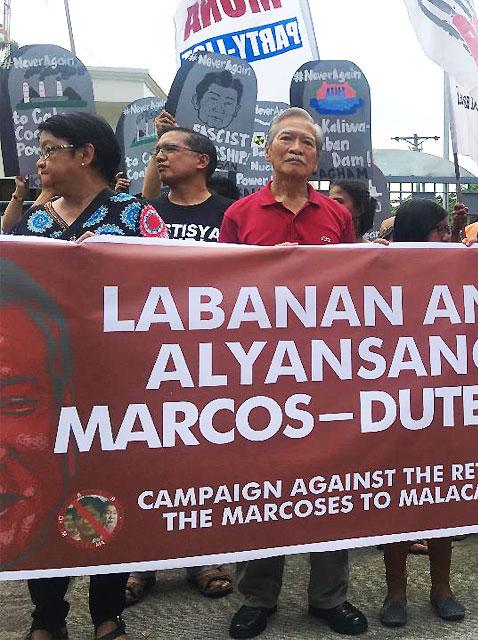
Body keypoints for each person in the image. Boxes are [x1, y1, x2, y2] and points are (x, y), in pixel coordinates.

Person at [2, 111, 166, 640]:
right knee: (48, 497)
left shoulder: (134, 216)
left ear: (84, 155)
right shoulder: (34, 222)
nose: (40, 160)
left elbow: (171, 291)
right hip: (48, 390)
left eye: (49, 148)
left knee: (107, 493)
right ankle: (47, 617)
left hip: (116, 388)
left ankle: (107, 614)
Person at [217, 107, 364, 640]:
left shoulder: (337, 216)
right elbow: (218, 292)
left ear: (318, 156)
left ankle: (330, 597)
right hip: (261, 372)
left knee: (331, 482)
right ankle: (257, 597)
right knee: (262, 484)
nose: (296, 147)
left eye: (307, 141)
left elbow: (356, 288)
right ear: (268, 149)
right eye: (286, 139)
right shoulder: (240, 214)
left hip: (326, 371)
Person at [123, 124, 234, 605]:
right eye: (156, 152)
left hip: (215, 357)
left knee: (206, 460)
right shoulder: (144, 215)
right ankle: (143, 561)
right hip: (153, 355)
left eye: (169, 150)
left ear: (202, 160)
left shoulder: (230, 215)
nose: (159, 157)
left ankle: (205, 556)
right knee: (148, 459)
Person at [376, 198, 466, 627]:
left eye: (448, 229)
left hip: (441, 402)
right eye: (438, 229)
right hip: (392, 403)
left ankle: (442, 588)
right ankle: (396, 592)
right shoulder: (379, 267)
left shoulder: (458, 266)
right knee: (397, 500)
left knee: (441, 500)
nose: (446, 237)